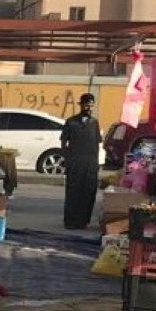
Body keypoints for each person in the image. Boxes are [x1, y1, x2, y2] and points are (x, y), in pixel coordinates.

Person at [60, 92, 102, 229]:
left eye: (91, 105)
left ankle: (83, 221)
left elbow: (97, 144)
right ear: (81, 105)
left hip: (90, 164)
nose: (89, 108)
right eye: (86, 105)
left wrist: (96, 163)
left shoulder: (94, 123)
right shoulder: (71, 122)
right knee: (73, 192)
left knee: (88, 192)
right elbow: (63, 142)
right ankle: (71, 221)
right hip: (75, 162)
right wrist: (67, 159)